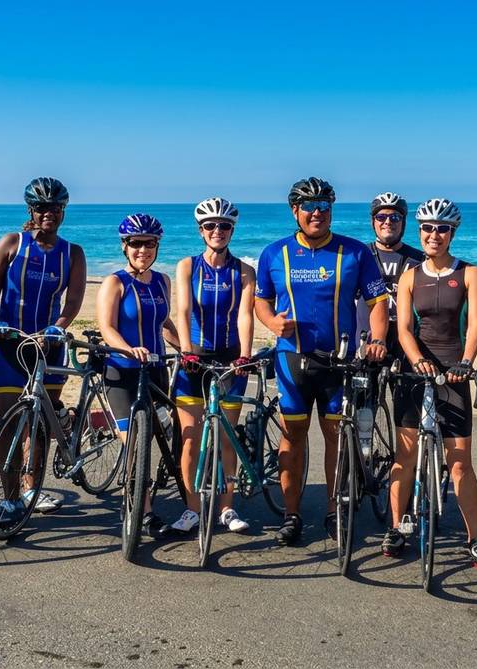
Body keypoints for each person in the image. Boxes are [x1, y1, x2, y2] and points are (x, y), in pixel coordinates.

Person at [254, 177, 389, 546]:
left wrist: (376, 339)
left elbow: (377, 302)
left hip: (339, 361)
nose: (317, 213)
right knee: (292, 437)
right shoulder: (274, 253)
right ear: (295, 211)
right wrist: (270, 322)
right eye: (309, 207)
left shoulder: (355, 252)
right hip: (292, 360)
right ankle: (291, 514)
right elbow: (261, 300)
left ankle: (334, 511)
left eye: (324, 207)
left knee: (335, 439)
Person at [385, 198, 477, 565]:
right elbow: (403, 329)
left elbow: (476, 324)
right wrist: (416, 361)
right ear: (420, 232)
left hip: (454, 371)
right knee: (405, 456)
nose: (434, 235)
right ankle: (398, 527)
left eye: (442, 229)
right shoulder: (410, 276)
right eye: (428, 229)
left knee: (460, 462)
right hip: (415, 372)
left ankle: (474, 537)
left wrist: (465, 362)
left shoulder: (470, 274)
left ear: (452, 233)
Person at [0, 177, 86, 514]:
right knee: (9, 423)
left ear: (63, 211)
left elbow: (73, 303)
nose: (48, 213)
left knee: (39, 423)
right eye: (41, 207)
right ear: (31, 209)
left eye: (55, 208)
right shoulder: (11, 244)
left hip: (48, 345)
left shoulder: (73, 253)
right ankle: (10, 498)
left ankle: (31, 489)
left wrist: (58, 327)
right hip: (8, 344)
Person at [173, 197, 256, 535]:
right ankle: (192, 509)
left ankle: (227, 508)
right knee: (191, 439)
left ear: (232, 230)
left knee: (226, 438)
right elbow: (183, 312)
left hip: (229, 360)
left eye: (224, 226)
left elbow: (245, 315)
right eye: (210, 225)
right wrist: (188, 352)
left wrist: (245, 355)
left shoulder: (244, 271)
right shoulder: (187, 266)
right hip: (194, 359)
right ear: (200, 230)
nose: (217, 231)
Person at [96, 214, 182, 534]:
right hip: (123, 373)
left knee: (160, 437)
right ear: (125, 246)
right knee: (133, 443)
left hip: (156, 371)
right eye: (135, 243)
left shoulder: (162, 281)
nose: (142, 250)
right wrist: (128, 349)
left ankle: (157, 493)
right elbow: (107, 327)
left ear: (157, 246)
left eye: (149, 244)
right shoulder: (115, 282)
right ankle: (143, 512)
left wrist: (186, 348)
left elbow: (163, 322)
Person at [358, 192, 423, 358]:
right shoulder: (360, 256)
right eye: (381, 217)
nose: (387, 222)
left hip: (407, 345)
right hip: (366, 344)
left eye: (395, 217)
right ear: (373, 222)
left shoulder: (420, 259)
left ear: (403, 222)